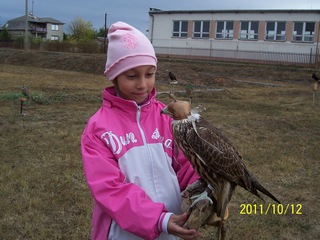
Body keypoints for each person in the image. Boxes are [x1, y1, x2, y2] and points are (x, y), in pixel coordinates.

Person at [81, 21, 200, 240]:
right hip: (122, 233)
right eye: (132, 76)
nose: (143, 85)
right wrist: (157, 219)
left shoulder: (167, 118)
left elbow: (185, 165)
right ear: (114, 76)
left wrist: (203, 189)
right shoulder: (98, 128)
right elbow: (109, 189)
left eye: (149, 74)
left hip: (171, 226)